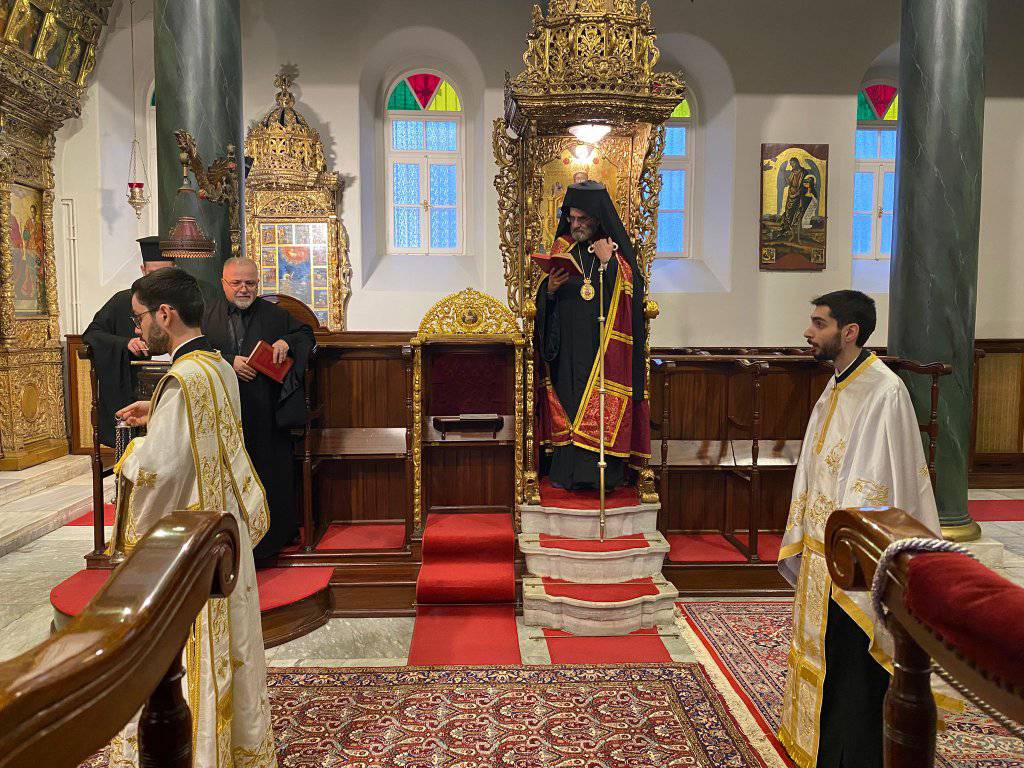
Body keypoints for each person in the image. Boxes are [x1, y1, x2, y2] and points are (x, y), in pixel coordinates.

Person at [110, 267, 277, 767]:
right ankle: (236, 746)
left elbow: (160, 471)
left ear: (166, 314)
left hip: (192, 540)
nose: (137, 328)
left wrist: (126, 456)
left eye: (141, 317)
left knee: (197, 648)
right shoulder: (217, 365)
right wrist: (156, 411)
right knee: (234, 643)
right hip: (224, 528)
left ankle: (203, 752)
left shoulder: (182, 380)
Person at [777, 290, 941, 768]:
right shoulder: (839, 382)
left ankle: (851, 755)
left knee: (853, 661)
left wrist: (844, 550)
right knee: (826, 655)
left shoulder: (883, 391)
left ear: (849, 332)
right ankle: (822, 744)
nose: (808, 332)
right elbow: (815, 467)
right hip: (822, 549)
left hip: (851, 557)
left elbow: (877, 482)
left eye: (819, 324)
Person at [535, 180, 649, 490]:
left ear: (597, 219)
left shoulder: (612, 251)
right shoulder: (563, 247)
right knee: (569, 404)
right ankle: (565, 473)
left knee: (598, 404)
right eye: (571, 218)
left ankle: (603, 477)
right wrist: (550, 290)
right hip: (568, 347)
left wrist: (607, 262)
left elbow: (633, 290)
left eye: (582, 219)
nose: (575, 225)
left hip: (604, 348)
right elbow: (544, 299)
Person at [203, 257, 315, 559]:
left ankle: (268, 543)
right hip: (221, 410)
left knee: (268, 474)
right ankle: (225, 544)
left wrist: (285, 342)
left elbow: (306, 335)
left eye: (250, 283)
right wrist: (228, 361)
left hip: (264, 412)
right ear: (223, 283)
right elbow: (193, 353)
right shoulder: (204, 315)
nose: (243, 289)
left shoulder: (275, 315)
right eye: (236, 283)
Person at [81, 236, 175, 448]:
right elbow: (92, 334)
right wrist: (125, 343)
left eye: (164, 274)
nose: (158, 280)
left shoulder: (185, 302)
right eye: (153, 274)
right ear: (143, 270)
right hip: (135, 386)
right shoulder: (123, 301)